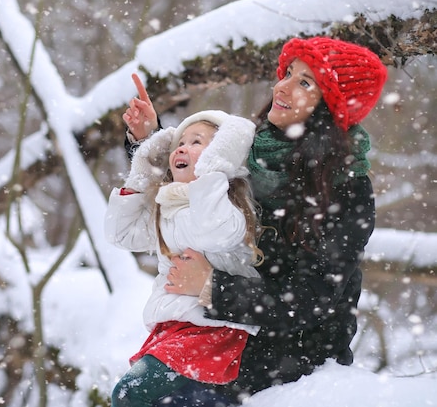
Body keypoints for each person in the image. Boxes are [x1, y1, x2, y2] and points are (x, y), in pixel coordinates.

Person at [122, 36, 388, 405]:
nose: (283, 86)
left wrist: (213, 286)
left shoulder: (346, 188)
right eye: (289, 73)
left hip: (291, 353)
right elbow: (186, 183)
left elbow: (313, 299)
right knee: (134, 393)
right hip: (223, 327)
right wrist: (146, 140)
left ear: (329, 108)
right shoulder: (249, 148)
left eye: (305, 83)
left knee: (144, 396)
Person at [105, 109, 263, 406]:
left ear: (223, 153)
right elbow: (121, 235)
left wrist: (213, 170)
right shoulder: (169, 205)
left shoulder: (231, 207)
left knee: (131, 394)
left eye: (197, 142)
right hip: (176, 329)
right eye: (181, 142)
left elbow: (211, 231)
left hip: (213, 330)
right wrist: (141, 169)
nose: (182, 147)